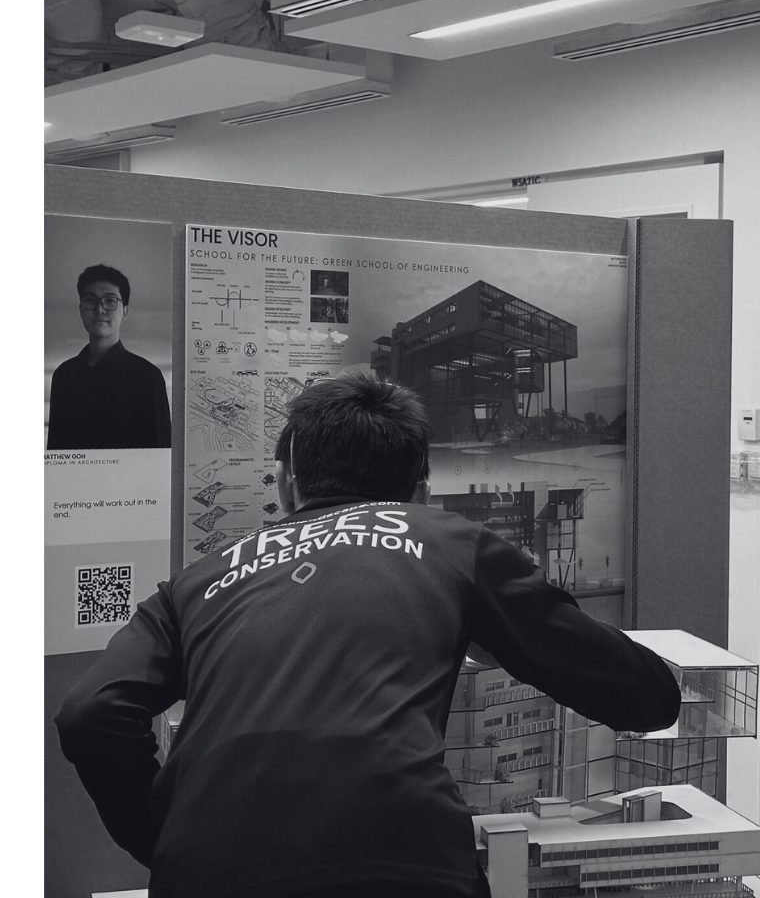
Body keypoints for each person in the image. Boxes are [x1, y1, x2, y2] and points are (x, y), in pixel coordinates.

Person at [55, 370, 682, 898]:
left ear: (283, 482)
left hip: (206, 872)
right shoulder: (449, 544)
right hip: (401, 863)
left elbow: (90, 713)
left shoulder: (196, 582)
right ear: (420, 492)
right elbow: (645, 697)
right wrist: (506, 640)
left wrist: (164, 837)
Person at [47, 264, 171, 450]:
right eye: (90, 300)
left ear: (125, 312)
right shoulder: (64, 375)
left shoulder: (147, 377)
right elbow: (56, 454)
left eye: (110, 301)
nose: (100, 309)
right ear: (81, 309)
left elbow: (162, 453)